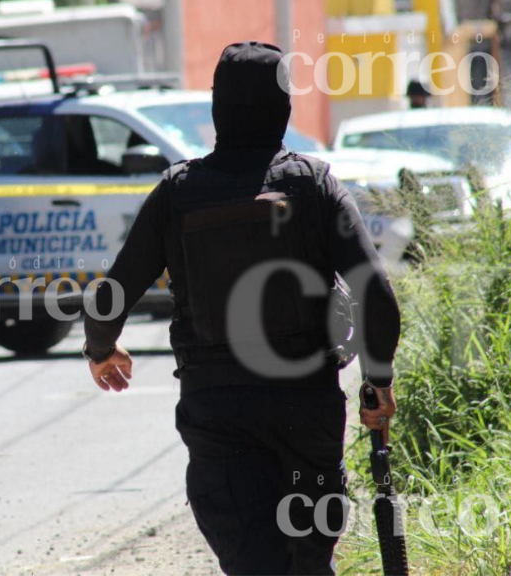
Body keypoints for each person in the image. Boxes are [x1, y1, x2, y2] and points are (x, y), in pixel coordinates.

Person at [82, 42, 401, 574]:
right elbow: (378, 299)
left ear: (216, 109)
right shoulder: (315, 184)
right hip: (307, 409)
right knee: (308, 562)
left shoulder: (177, 191)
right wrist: (378, 382)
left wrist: (100, 347)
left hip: (219, 414)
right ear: (284, 108)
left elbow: (111, 295)